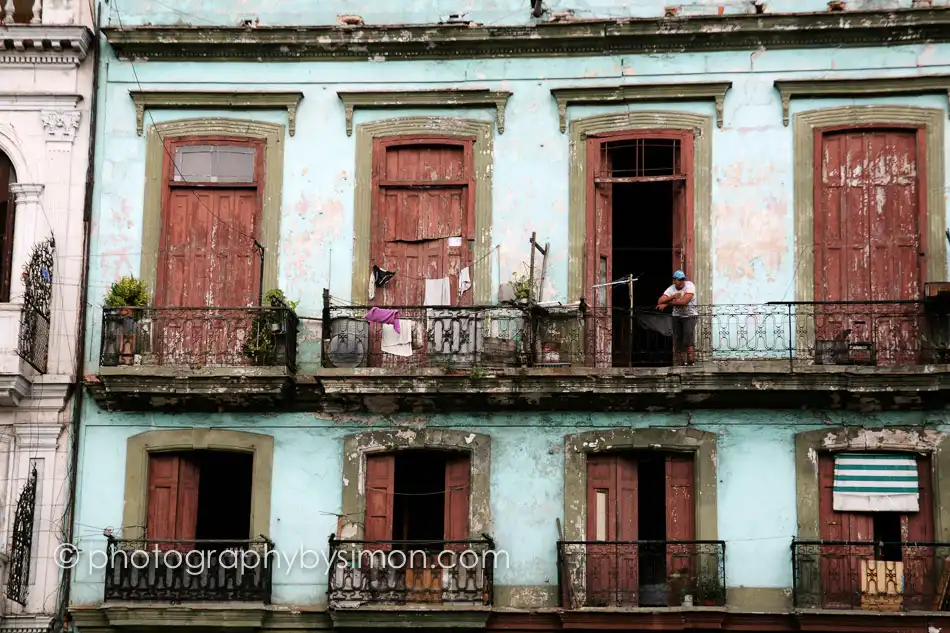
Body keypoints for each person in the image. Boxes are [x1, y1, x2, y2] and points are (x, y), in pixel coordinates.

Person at [656, 270, 697, 366]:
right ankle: (680, 360)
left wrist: (666, 304)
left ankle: (690, 359)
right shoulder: (671, 289)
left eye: (683, 279)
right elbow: (660, 301)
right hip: (677, 316)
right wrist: (671, 297)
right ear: (674, 280)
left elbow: (684, 302)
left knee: (688, 334)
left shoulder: (689, 285)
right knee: (677, 337)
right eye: (679, 279)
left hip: (690, 315)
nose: (682, 281)